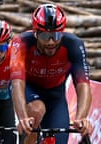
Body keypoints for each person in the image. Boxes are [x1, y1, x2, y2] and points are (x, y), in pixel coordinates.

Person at [10, 4, 93, 144]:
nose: (51, 41)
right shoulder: (21, 42)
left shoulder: (73, 44)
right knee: (37, 109)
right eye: (45, 35)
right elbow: (17, 83)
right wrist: (23, 117)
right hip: (29, 89)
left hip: (56, 95)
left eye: (56, 35)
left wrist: (81, 117)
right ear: (35, 33)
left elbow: (83, 84)